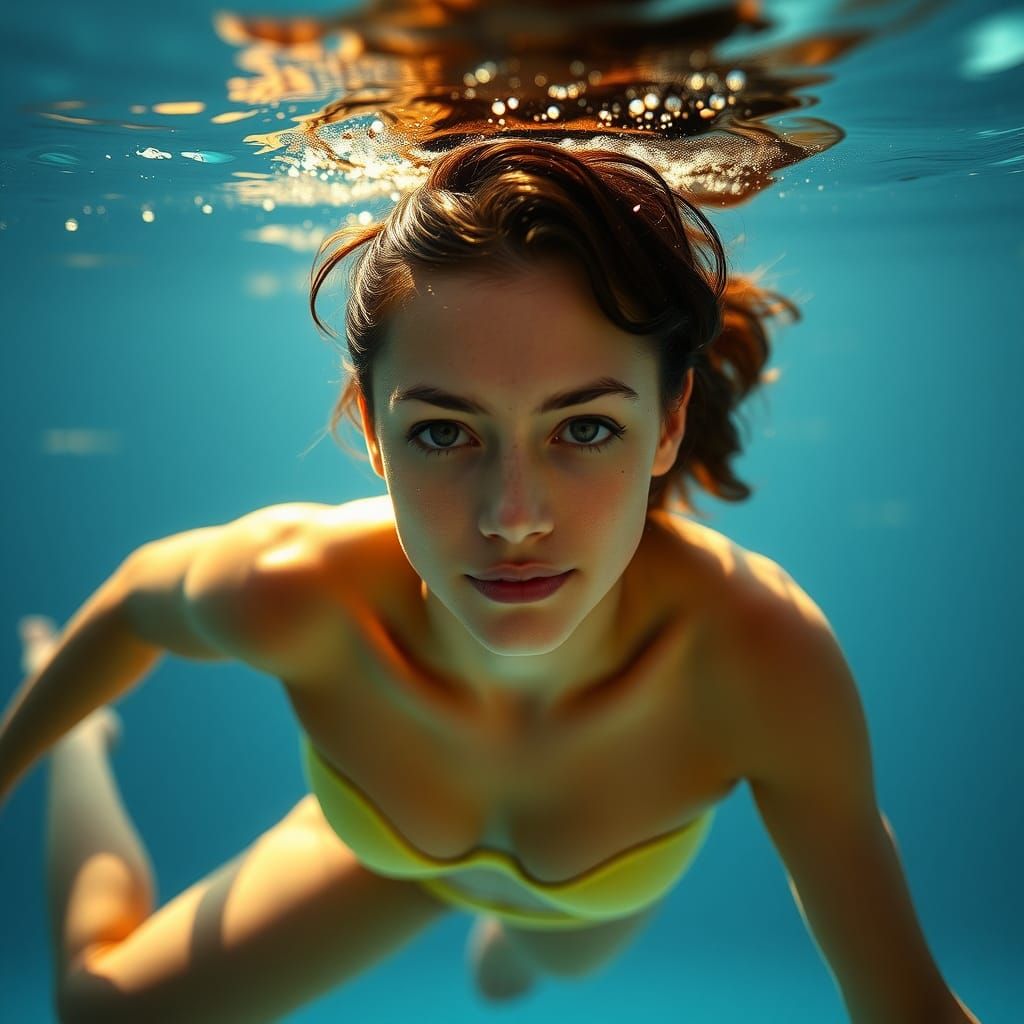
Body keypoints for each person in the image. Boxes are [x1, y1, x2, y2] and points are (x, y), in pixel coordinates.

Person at [0, 138, 980, 1024]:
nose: (513, 517)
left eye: (585, 427)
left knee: (519, 970)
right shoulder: (295, 587)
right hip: (381, 850)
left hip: (576, 914)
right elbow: (136, 601)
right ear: (372, 432)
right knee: (98, 1010)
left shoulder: (762, 659)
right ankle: (87, 744)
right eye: (442, 431)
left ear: (668, 423)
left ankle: (508, 949)